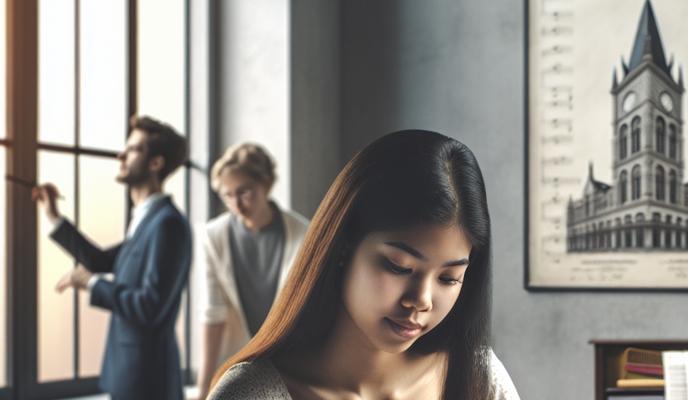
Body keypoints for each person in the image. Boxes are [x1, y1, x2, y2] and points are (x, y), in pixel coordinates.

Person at [208, 130, 520, 399]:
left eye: (449, 278)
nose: (421, 300)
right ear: (343, 246)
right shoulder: (250, 393)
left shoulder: (481, 378)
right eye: (398, 266)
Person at [32, 116, 192, 400]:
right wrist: (53, 216)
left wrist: (93, 284)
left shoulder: (167, 224)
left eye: (133, 149)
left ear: (156, 163)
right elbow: (100, 260)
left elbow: (150, 306)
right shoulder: (148, 220)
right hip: (130, 374)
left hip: (147, 380)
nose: (121, 154)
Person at [194, 143, 309, 400]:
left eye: (244, 192)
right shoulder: (212, 237)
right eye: (227, 195)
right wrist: (203, 390)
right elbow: (213, 315)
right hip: (238, 362)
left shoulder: (304, 234)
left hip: (292, 361)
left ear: (266, 184)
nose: (236, 203)